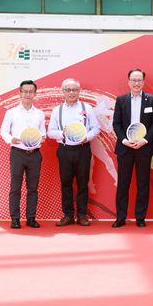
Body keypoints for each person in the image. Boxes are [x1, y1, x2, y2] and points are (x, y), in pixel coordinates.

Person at [48, 78, 101, 227]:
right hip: (64, 150)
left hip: (83, 149)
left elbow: (96, 128)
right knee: (66, 183)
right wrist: (62, 134)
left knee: (83, 183)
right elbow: (50, 132)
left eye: (74, 89)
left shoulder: (87, 107)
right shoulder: (57, 110)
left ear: (79, 91)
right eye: (68, 90)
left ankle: (82, 215)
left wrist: (86, 137)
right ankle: (68, 215)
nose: (71, 92)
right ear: (63, 91)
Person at [112, 69, 153, 228]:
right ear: (128, 82)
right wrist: (125, 140)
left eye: (139, 80)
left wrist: (145, 140)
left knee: (143, 184)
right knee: (123, 185)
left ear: (143, 81)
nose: (136, 83)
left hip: (144, 147)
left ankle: (140, 217)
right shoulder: (121, 100)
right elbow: (116, 124)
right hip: (125, 147)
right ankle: (121, 217)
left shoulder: (151, 99)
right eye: (133, 80)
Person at [0, 80, 47, 229]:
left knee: (33, 188)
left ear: (35, 94)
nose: (28, 94)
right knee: (15, 188)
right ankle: (15, 219)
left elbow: (43, 132)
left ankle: (31, 218)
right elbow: (3, 131)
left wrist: (43, 137)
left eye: (31, 91)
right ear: (20, 93)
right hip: (17, 153)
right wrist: (10, 139)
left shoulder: (39, 113)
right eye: (25, 91)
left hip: (34, 154)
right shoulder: (11, 112)